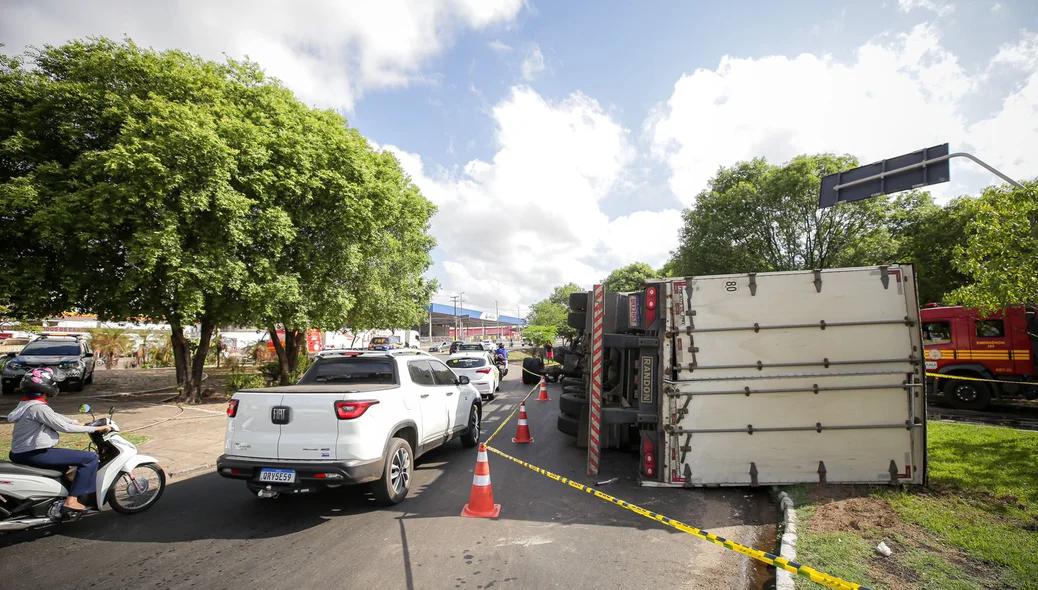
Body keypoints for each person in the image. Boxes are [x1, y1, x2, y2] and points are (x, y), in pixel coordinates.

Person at [6, 368, 112, 511]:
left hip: (20, 452)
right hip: (34, 453)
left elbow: (55, 418)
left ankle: (65, 489)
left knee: (69, 462)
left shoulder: (27, 404)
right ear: (47, 387)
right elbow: (64, 427)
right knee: (90, 458)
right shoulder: (38, 408)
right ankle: (72, 500)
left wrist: (76, 422)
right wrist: (95, 429)